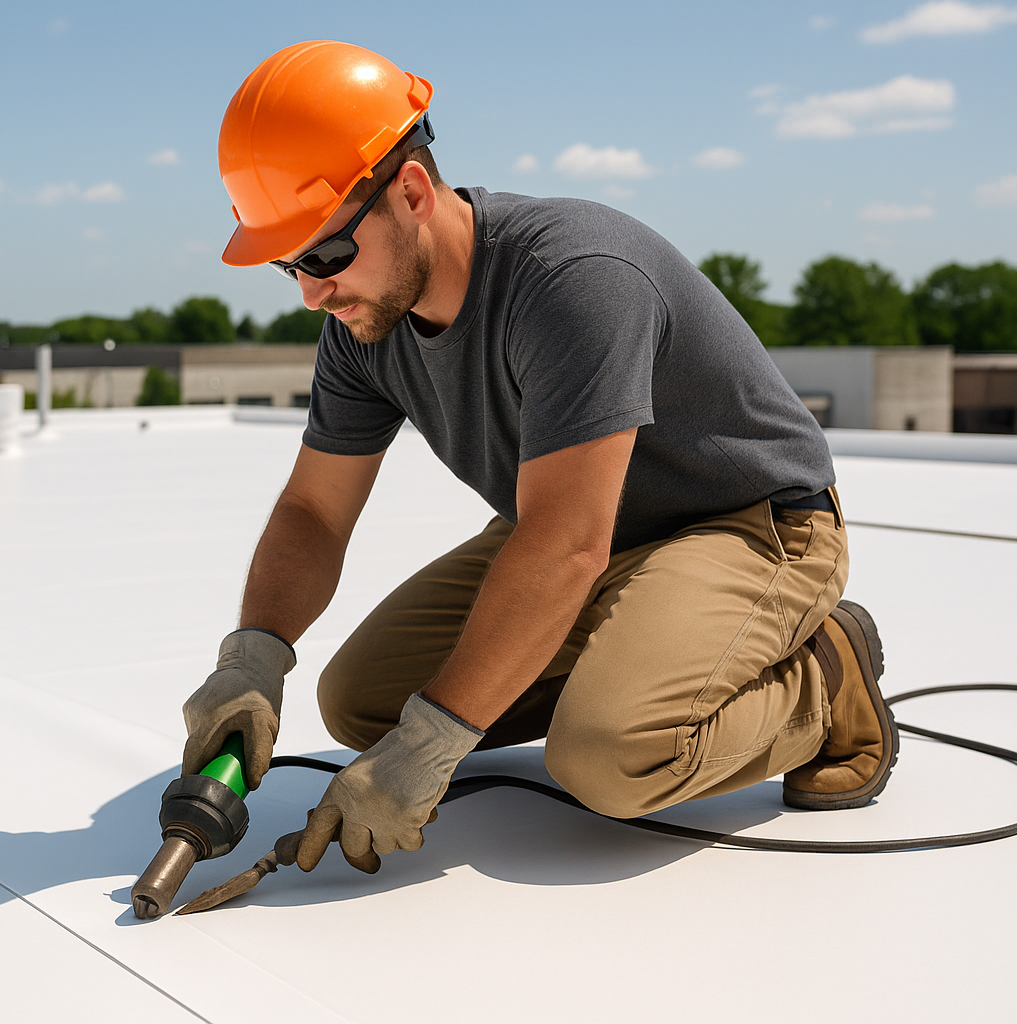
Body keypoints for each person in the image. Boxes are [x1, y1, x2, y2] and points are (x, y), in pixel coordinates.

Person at [181, 40, 898, 876]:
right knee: (361, 704)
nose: (312, 292)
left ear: (411, 193)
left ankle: (827, 681)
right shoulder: (363, 326)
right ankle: (630, 669)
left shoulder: (572, 278)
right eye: (288, 265)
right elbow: (314, 510)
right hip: (582, 533)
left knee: (609, 758)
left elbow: (564, 545)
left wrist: (437, 740)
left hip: (747, 524)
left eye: (326, 256)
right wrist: (255, 656)